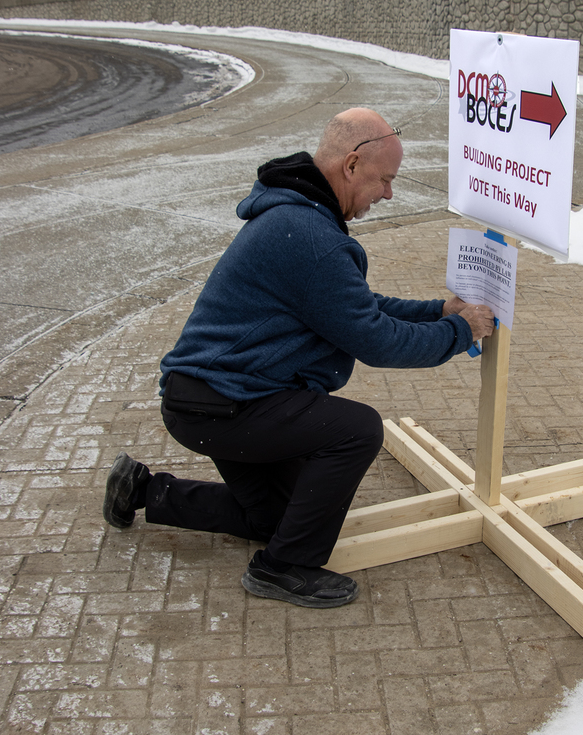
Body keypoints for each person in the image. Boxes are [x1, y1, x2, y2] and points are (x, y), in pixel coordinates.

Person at [103, 107, 494, 609]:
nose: (389, 195)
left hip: (214, 399)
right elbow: (376, 340)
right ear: (352, 165)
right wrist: (459, 332)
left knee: (278, 519)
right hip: (225, 405)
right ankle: (284, 568)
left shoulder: (299, 217)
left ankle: (143, 491)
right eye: (385, 180)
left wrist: (438, 311)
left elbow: (354, 306)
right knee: (357, 430)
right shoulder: (311, 239)